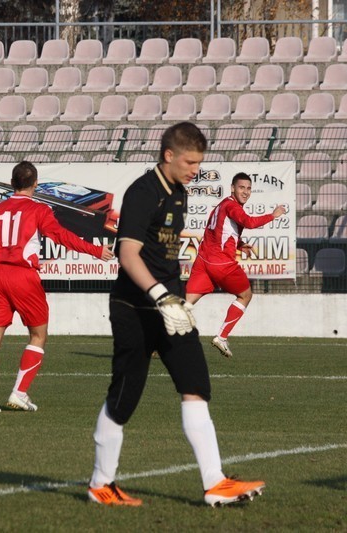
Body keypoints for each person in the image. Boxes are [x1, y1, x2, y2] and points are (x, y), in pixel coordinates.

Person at [88, 122, 264, 508]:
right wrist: (159, 295)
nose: (194, 169)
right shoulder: (141, 192)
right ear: (168, 155)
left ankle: (215, 481)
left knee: (196, 382)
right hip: (134, 307)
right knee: (125, 395)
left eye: (199, 163)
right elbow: (128, 255)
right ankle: (101, 484)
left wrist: (176, 300)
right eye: (189, 161)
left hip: (170, 305)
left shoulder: (180, 194)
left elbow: (163, 254)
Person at [0, 161, 114, 414]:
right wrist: (95, 250)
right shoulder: (40, 210)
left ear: (12, 184)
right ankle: (19, 393)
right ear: (35, 184)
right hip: (24, 276)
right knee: (38, 335)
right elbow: (62, 237)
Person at [185, 172, 287, 358]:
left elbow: (214, 231)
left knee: (187, 303)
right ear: (232, 188)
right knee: (245, 295)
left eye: (248, 188)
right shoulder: (232, 206)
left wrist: (239, 244)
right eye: (241, 187)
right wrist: (273, 215)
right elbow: (248, 222)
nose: (246, 192)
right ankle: (221, 337)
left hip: (203, 261)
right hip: (221, 263)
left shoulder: (222, 205)